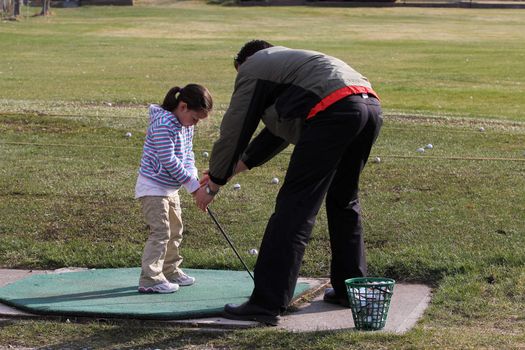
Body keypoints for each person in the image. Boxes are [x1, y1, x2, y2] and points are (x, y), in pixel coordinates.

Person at [194, 40, 382, 325]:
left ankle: (266, 303)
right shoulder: (292, 67)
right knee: (344, 200)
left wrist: (214, 183)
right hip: (369, 107)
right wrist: (233, 168)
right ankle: (349, 288)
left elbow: (236, 128)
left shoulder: (254, 67)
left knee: (294, 208)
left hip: (334, 112)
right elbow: (280, 129)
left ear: (242, 63)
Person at [136, 84, 213, 293]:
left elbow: (188, 155)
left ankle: (169, 270)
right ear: (183, 106)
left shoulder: (186, 125)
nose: (194, 124)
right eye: (195, 118)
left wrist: (195, 182)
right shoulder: (162, 124)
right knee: (160, 232)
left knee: (175, 230)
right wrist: (193, 187)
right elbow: (168, 160)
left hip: (170, 188)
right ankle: (150, 278)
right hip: (152, 186)